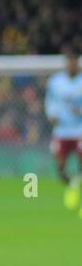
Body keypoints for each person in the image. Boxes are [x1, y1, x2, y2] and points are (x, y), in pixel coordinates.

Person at [45, 45, 82, 212]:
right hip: (61, 131)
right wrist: (51, 114)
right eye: (69, 61)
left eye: (75, 61)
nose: (72, 64)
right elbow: (50, 101)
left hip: (80, 130)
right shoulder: (55, 81)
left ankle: (76, 190)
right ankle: (73, 186)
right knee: (60, 169)